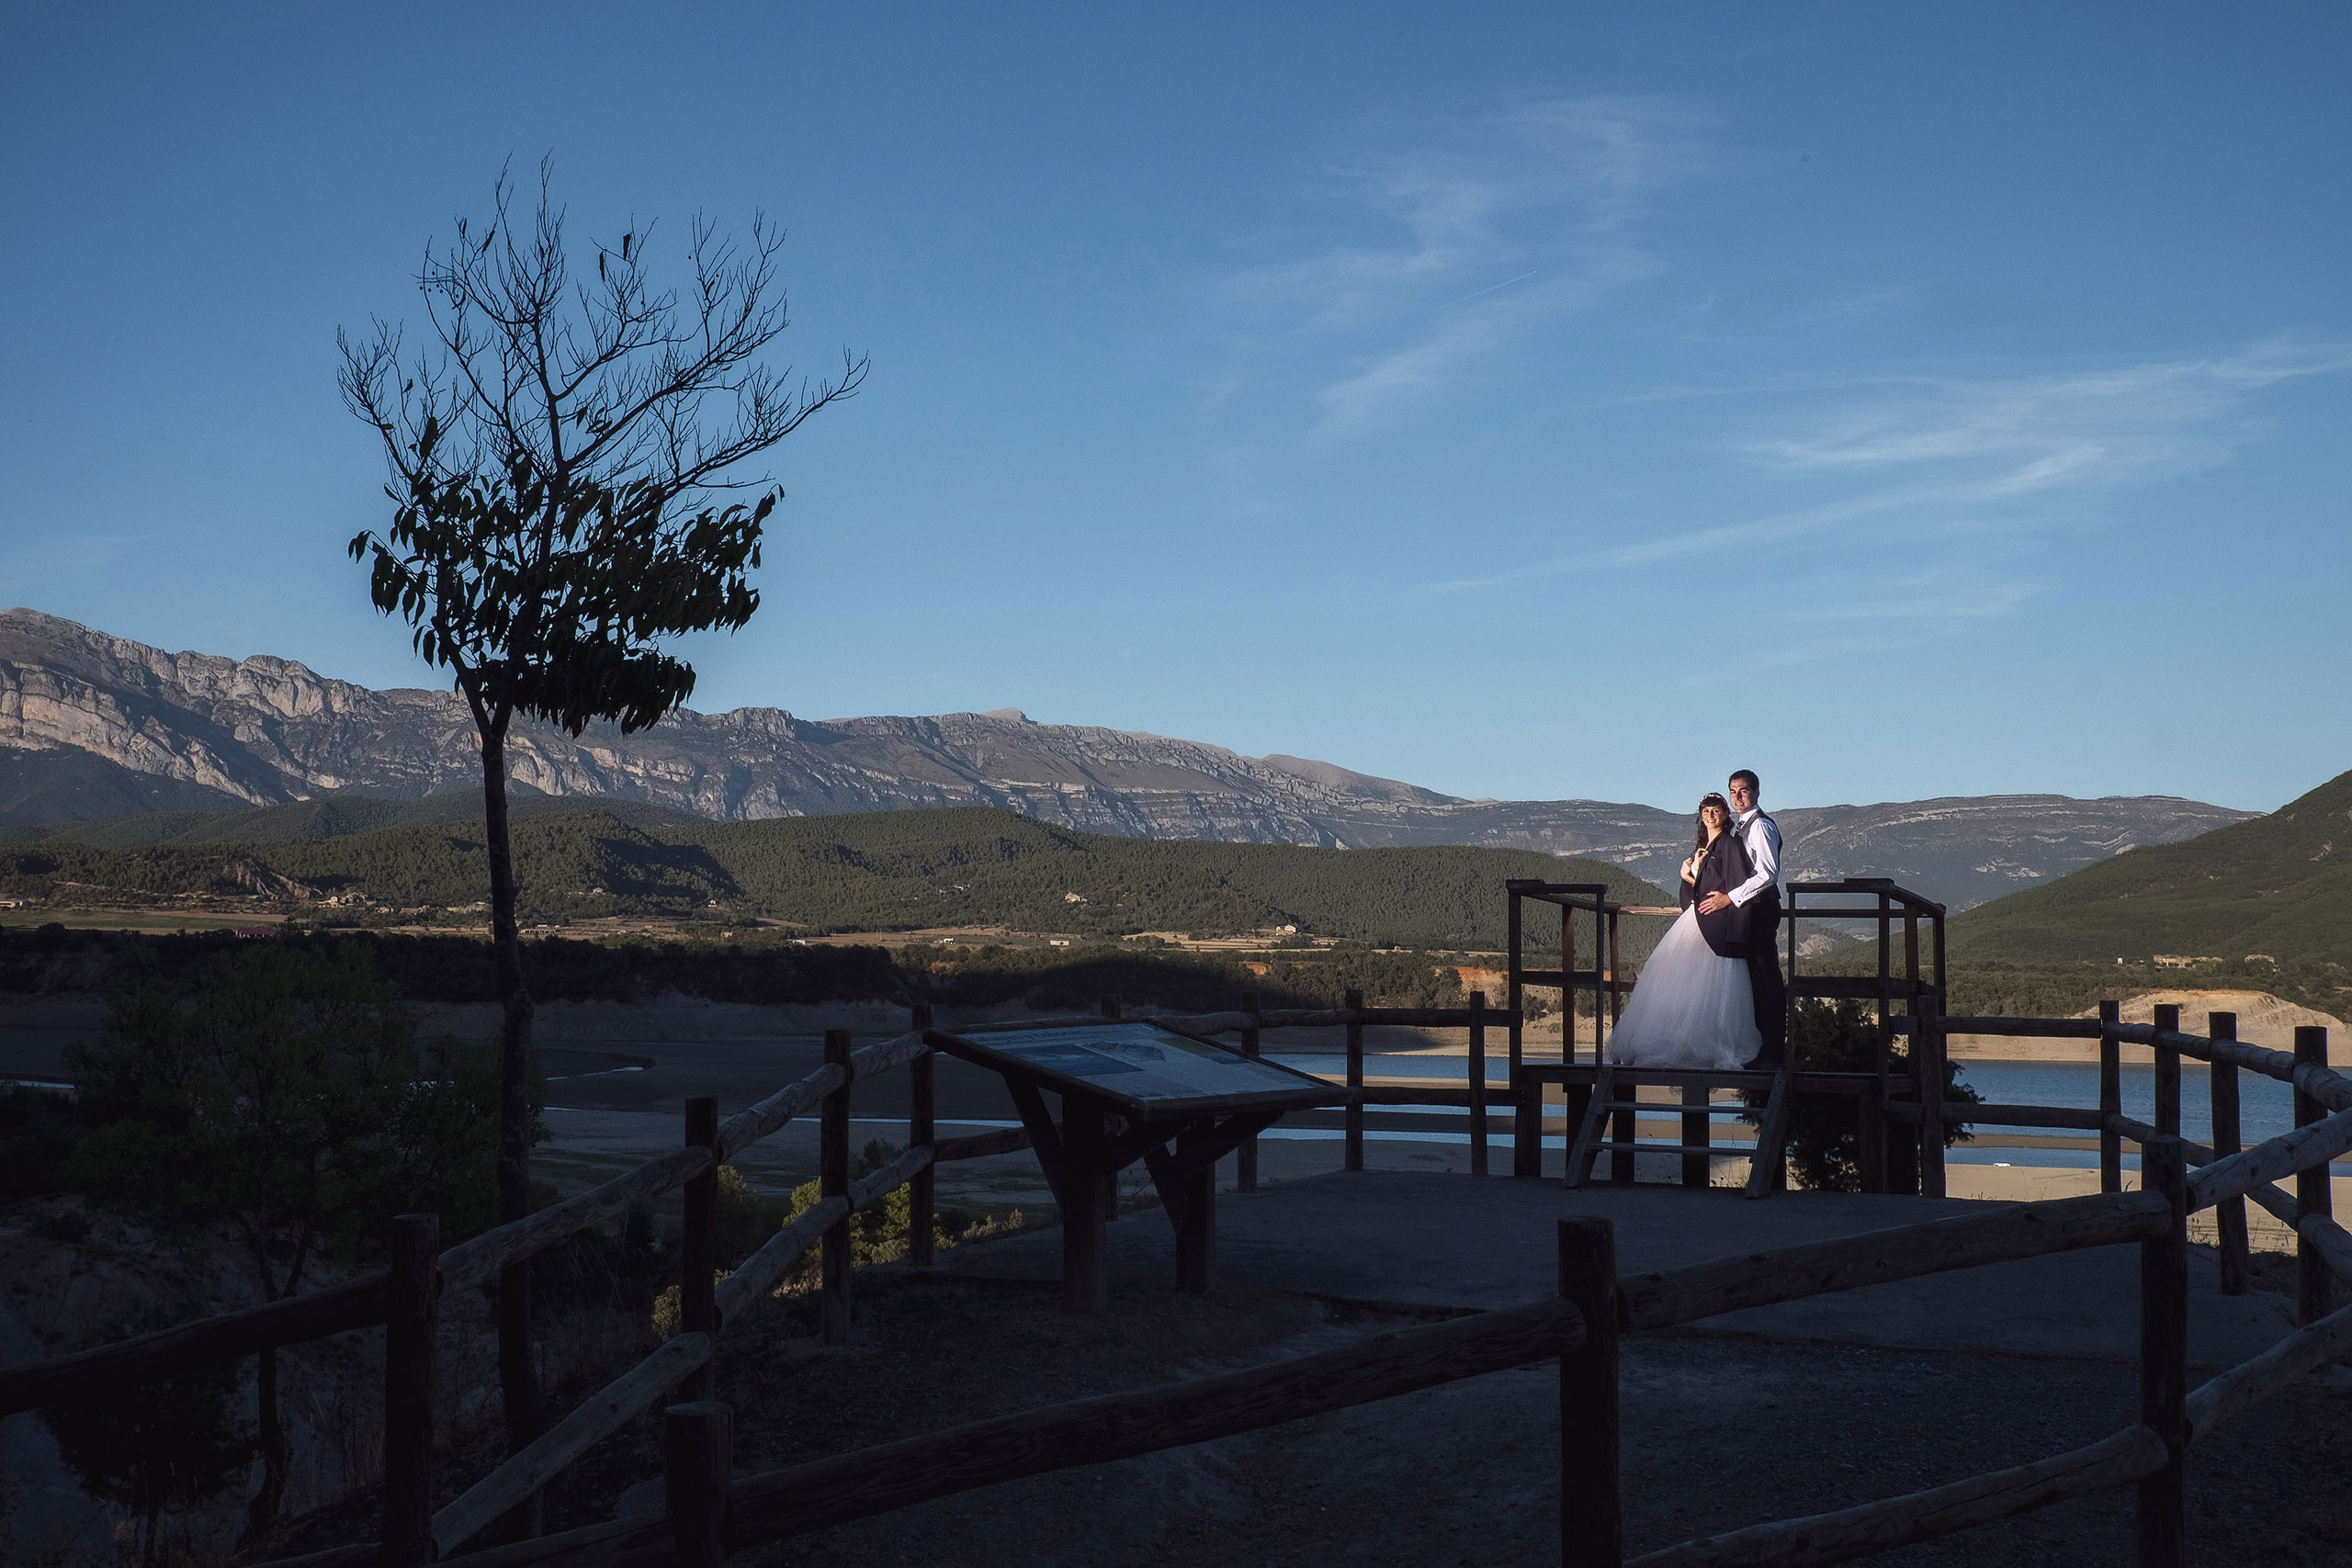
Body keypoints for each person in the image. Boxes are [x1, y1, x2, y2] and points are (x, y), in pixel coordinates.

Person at [1605, 793, 1763, 1070]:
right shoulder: (1702, 846)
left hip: (1716, 921)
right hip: (1695, 918)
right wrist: (1686, 876)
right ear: (1701, 815)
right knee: (1680, 982)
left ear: (1725, 815)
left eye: (1716, 811)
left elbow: (1735, 881)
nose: (1711, 816)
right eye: (1706, 811)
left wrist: (1722, 898)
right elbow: (1698, 886)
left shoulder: (1730, 844)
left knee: (1711, 985)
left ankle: (1707, 1045)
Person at [1695, 769, 1786, 1068]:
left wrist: (1729, 898)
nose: (1737, 797)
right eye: (1733, 791)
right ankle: (1761, 1049)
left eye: (1744, 791)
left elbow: (1767, 874)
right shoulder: (1741, 829)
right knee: (1755, 982)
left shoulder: (1760, 827)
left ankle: (1773, 1053)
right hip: (1749, 912)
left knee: (1766, 979)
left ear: (1757, 793)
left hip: (1760, 910)